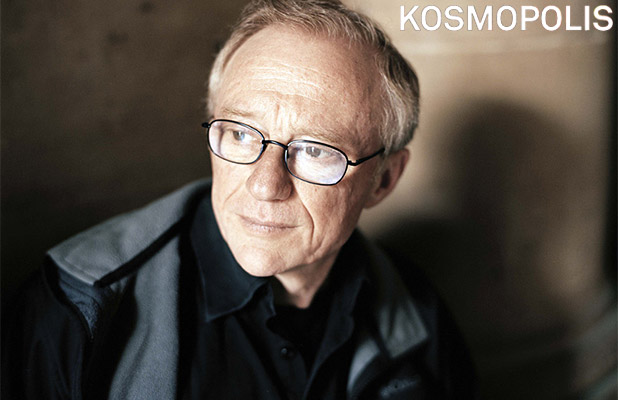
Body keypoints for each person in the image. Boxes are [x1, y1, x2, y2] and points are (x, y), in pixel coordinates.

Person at [2, 0, 476, 399]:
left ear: (384, 180)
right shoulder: (75, 309)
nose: (265, 185)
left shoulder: (418, 313)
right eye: (241, 134)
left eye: (315, 150)